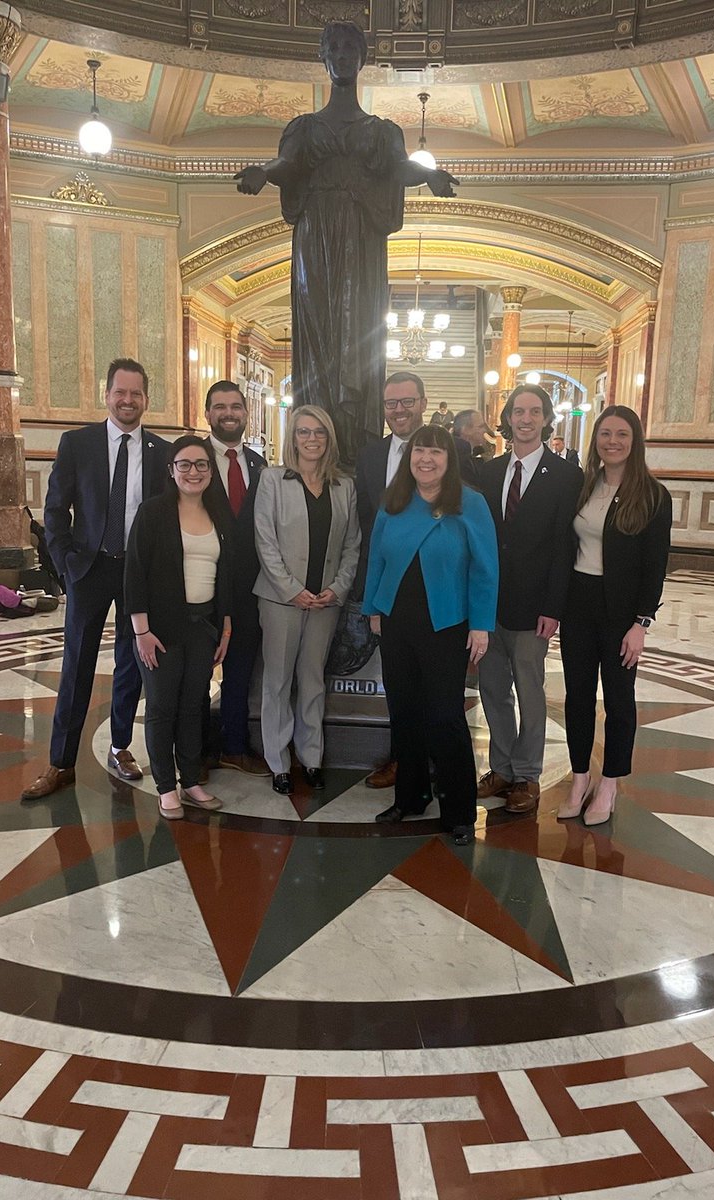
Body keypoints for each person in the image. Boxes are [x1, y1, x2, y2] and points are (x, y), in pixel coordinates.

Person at [234, 21, 457, 467]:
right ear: (323, 57)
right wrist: (264, 172)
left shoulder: (382, 130)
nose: (342, 54)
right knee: (319, 329)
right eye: (333, 47)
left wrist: (428, 175)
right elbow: (286, 163)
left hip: (362, 239)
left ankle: (356, 442)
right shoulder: (303, 127)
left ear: (363, 58)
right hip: (315, 237)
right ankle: (317, 435)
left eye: (351, 47)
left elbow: (399, 168)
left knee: (357, 332)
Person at [22, 359, 170, 801]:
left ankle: (121, 746)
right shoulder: (77, 444)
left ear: (147, 398)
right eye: (120, 393)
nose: (128, 401)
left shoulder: (160, 452)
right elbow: (54, 510)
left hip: (137, 571)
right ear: (106, 395)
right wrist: (65, 561)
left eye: (136, 394)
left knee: (133, 663)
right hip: (89, 567)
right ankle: (61, 761)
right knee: (77, 663)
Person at [363, 424, 498, 845]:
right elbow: (377, 560)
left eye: (436, 453)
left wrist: (481, 624)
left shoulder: (469, 504)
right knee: (404, 712)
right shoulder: (395, 500)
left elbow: (485, 568)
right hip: (398, 622)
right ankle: (412, 797)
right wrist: (373, 608)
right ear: (410, 457)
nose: (426, 459)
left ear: (448, 460)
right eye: (420, 451)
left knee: (444, 716)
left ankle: (458, 809)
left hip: (447, 623)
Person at [558, 405, 672, 825]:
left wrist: (641, 624)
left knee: (619, 700)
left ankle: (610, 783)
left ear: (634, 441)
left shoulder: (654, 496)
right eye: (605, 433)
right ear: (596, 439)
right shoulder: (584, 486)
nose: (612, 441)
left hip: (621, 610)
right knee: (578, 696)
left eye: (621, 434)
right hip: (578, 603)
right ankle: (580, 776)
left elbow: (654, 565)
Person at [476, 384, 582, 818]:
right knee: (492, 688)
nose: (525, 419)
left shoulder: (564, 475)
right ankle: (500, 767)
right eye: (518, 411)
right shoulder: (488, 471)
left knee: (529, 688)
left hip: (534, 607)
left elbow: (564, 547)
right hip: (488, 603)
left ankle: (526, 774)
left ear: (545, 419)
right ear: (508, 417)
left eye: (534, 411)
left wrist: (553, 608)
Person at [253, 405, 360, 795]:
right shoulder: (272, 480)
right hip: (282, 600)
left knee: (313, 681)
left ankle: (311, 756)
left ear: (329, 439)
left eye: (319, 432)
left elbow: (353, 545)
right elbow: (264, 541)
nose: (311, 439)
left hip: (325, 601)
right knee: (277, 682)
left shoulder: (344, 486)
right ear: (292, 437)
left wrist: (339, 587)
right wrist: (291, 589)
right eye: (303, 432)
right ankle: (279, 761)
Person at [125, 436, 233, 819]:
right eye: (184, 464)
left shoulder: (219, 514)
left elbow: (227, 574)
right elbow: (134, 572)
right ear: (171, 470)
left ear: (210, 470)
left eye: (201, 464)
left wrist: (225, 626)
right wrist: (141, 631)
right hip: (160, 629)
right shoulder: (153, 512)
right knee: (162, 707)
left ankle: (190, 780)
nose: (194, 472)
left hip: (203, 626)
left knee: (193, 706)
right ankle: (165, 787)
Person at [355, 370, 429, 789]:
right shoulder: (370, 456)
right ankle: (403, 760)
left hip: (435, 589)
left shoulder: (449, 449)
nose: (399, 410)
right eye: (391, 404)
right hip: (387, 587)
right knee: (397, 681)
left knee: (435, 687)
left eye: (407, 401)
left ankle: (431, 760)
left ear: (422, 402)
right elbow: (367, 526)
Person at [202, 380, 270, 776]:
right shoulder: (192, 460)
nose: (228, 413)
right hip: (200, 584)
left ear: (246, 414)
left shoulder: (259, 467)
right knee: (196, 672)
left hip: (246, 588)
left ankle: (234, 744)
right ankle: (193, 751)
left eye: (235, 407)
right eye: (220, 407)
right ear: (207, 414)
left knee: (240, 669)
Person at [451, 409, 491, 486]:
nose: (485, 430)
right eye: (481, 426)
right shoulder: (460, 460)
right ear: (465, 430)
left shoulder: (469, 455)